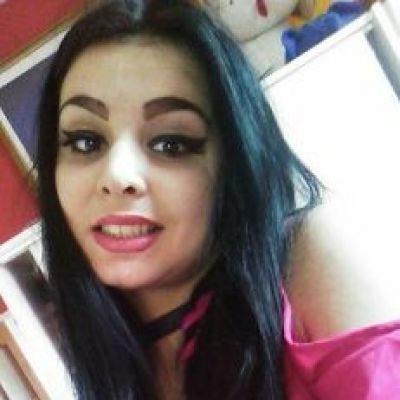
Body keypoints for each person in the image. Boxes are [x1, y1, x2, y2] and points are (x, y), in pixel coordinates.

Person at [36, 0, 400, 399]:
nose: (117, 175)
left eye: (171, 143)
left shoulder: (299, 260)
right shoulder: (103, 355)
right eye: (85, 142)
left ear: (231, 161)